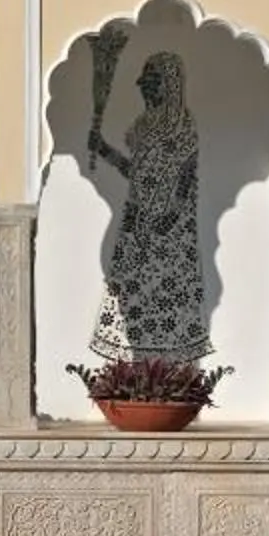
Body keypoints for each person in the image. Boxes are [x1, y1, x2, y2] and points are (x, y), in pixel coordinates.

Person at [87, 46, 211, 360]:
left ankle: (168, 373)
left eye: (151, 81)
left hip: (170, 228)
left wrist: (170, 214)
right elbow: (136, 174)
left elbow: (185, 176)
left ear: (168, 84)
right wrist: (104, 150)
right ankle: (139, 371)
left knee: (167, 296)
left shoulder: (183, 125)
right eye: (143, 81)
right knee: (132, 294)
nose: (143, 87)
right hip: (138, 220)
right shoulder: (143, 126)